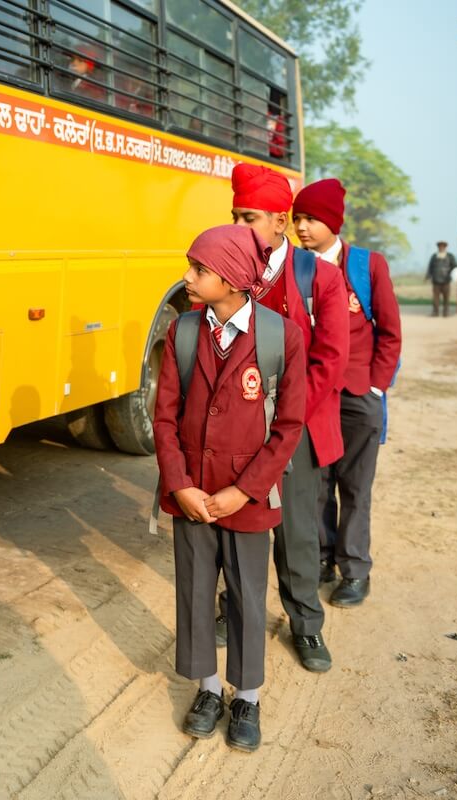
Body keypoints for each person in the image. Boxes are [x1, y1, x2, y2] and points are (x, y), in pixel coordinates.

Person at [153, 225, 306, 751]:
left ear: (234, 279)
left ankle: (248, 698)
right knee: (195, 592)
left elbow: (288, 425)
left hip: (248, 495)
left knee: (245, 595)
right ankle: (208, 688)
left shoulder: (279, 335)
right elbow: (165, 418)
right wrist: (179, 485)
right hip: (192, 493)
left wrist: (247, 490)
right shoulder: (184, 332)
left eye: (198, 271)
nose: (187, 278)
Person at [227, 163, 349, 673]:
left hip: (295, 428)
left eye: (248, 216)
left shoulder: (318, 276)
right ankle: (230, 613)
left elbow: (331, 359)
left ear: (280, 220)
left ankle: (306, 625)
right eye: (234, 215)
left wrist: (286, 420)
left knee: (297, 531)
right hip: (236, 426)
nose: (238, 226)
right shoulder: (228, 270)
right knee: (234, 527)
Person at [292, 178, 402, 608]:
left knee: (355, 487)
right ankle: (321, 557)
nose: (301, 227)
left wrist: (375, 386)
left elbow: (390, 333)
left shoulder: (367, 267)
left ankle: (355, 570)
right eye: (297, 218)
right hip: (315, 394)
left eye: (312, 219)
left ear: (334, 223)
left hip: (358, 395)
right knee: (316, 483)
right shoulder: (295, 268)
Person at [426, 241, 457, 317]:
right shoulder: (434, 256)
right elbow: (430, 267)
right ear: (438, 247)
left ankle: (445, 312)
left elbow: (455, 267)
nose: (441, 248)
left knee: (446, 298)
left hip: (446, 281)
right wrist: (428, 276)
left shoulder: (450, 256)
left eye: (443, 246)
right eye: (440, 246)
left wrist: (454, 275)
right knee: (435, 298)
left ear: (445, 247)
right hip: (436, 281)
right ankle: (435, 312)